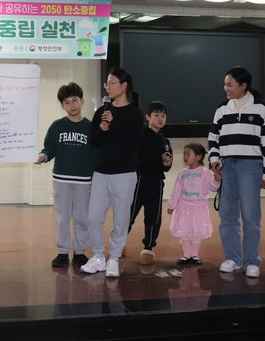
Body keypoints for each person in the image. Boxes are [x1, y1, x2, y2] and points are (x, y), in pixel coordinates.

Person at [208, 66, 265, 278]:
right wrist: (214, 162)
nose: (226, 88)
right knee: (227, 215)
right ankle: (233, 258)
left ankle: (251, 260)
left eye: (230, 84)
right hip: (227, 166)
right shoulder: (222, 108)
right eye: (225, 84)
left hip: (251, 166)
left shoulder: (260, 108)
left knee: (250, 216)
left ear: (243, 85)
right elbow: (213, 139)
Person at [81, 68, 144, 278]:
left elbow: (132, 143)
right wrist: (103, 128)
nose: (108, 87)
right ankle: (98, 256)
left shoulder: (134, 113)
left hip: (124, 173)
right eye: (107, 83)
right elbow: (94, 141)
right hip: (101, 172)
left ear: (124, 85)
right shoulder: (102, 111)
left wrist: (115, 123)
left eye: (112, 83)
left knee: (120, 219)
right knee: (93, 217)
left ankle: (114, 258)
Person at [35, 82, 97, 268]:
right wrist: (43, 156)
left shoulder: (90, 127)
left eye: (75, 100)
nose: (72, 105)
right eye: (67, 102)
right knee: (62, 217)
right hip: (61, 179)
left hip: (84, 180)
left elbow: (95, 154)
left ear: (82, 101)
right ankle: (62, 251)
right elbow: (49, 148)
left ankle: (79, 252)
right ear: (62, 106)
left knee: (81, 218)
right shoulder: (57, 126)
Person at [128, 101, 173, 265]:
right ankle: (119, 241)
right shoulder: (140, 135)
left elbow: (166, 165)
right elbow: (139, 158)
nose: (160, 118)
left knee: (154, 216)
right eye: (157, 115)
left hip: (157, 182)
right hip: (140, 180)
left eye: (163, 115)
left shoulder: (165, 140)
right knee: (130, 213)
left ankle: (148, 247)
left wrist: (167, 163)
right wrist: (158, 158)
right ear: (148, 117)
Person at [168, 143, 221, 265]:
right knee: (185, 232)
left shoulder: (205, 172)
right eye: (184, 154)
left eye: (188, 154)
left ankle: (195, 255)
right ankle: (186, 255)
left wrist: (216, 180)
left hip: (199, 208)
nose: (185, 157)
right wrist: (172, 205)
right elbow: (176, 190)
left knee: (196, 232)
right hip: (183, 207)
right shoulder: (182, 173)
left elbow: (213, 187)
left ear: (198, 157)